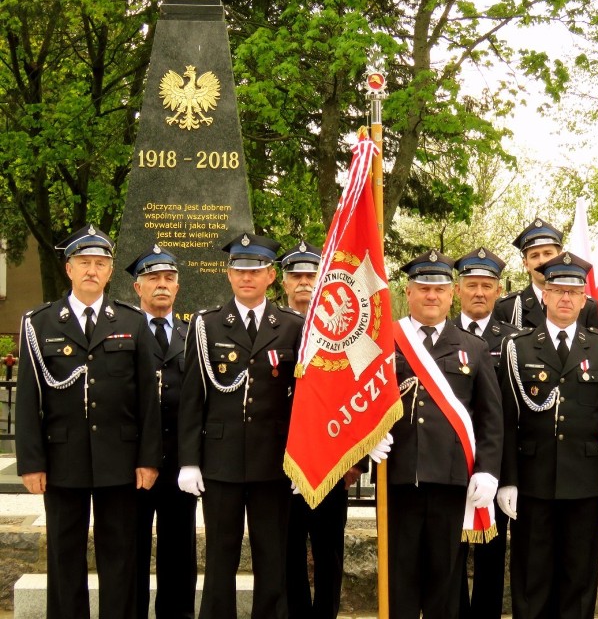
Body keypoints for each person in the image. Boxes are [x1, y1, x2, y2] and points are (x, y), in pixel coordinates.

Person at [15, 224, 161, 619]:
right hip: (63, 461)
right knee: (64, 557)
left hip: (120, 460)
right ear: (69, 269)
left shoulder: (131, 322)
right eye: (84, 263)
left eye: (100, 263)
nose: (92, 270)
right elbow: (28, 400)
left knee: (121, 555)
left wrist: (148, 459)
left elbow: (148, 398)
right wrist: (31, 462)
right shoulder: (39, 323)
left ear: (111, 272)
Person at [178, 232, 303, 619]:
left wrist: (303, 459)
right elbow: (192, 398)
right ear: (228, 275)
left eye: (256, 270)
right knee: (219, 557)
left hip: (273, 463)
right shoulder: (206, 325)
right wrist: (189, 460)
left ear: (270, 275)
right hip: (221, 461)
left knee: (272, 558)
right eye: (239, 270)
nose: (246, 277)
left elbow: (304, 400)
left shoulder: (292, 326)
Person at [497, 251, 598, 619]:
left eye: (573, 292)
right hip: (533, 479)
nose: (566, 298)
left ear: (584, 298)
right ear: (546, 295)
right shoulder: (518, 348)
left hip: (584, 483)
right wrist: (508, 479)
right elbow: (507, 419)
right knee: (530, 576)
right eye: (557, 290)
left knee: (579, 576)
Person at [386, 249, 503, 619]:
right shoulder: (385, 342)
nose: (431, 296)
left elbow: (490, 417)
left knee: (446, 578)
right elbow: (364, 404)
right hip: (400, 476)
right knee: (399, 575)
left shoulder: (473, 347)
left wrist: (487, 469)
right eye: (423, 288)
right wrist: (366, 445)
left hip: (452, 480)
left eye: (438, 289)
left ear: (452, 293)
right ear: (409, 292)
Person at [277, 239, 366, 619]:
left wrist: (356, 461)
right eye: (296, 276)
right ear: (283, 283)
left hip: (332, 461)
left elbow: (362, 394)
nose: (304, 283)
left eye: (312, 275)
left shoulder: (344, 333)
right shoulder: (274, 327)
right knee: (288, 550)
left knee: (329, 550)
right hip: (284, 463)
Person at [125, 244, 197, 619]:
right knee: (131, 548)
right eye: (153, 279)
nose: (162, 285)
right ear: (138, 288)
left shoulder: (193, 335)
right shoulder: (122, 333)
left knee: (179, 550)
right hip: (134, 462)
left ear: (178, 286)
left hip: (179, 463)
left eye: (169, 278)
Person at [452, 247, 520, 619]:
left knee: (492, 553)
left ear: (498, 291)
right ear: (458, 289)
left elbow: (513, 412)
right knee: (452, 551)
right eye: (472, 285)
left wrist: (507, 473)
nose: (479, 292)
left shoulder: (514, 341)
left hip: (495, 461)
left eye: (487, 286)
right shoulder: (438, 333)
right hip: (451, 460)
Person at [493, 217, 598, 330]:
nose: (542, 261)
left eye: (547, 253)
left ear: (560, 256)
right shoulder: (508, 308)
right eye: (534, 256)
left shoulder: (587, 306)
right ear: (526, 264)